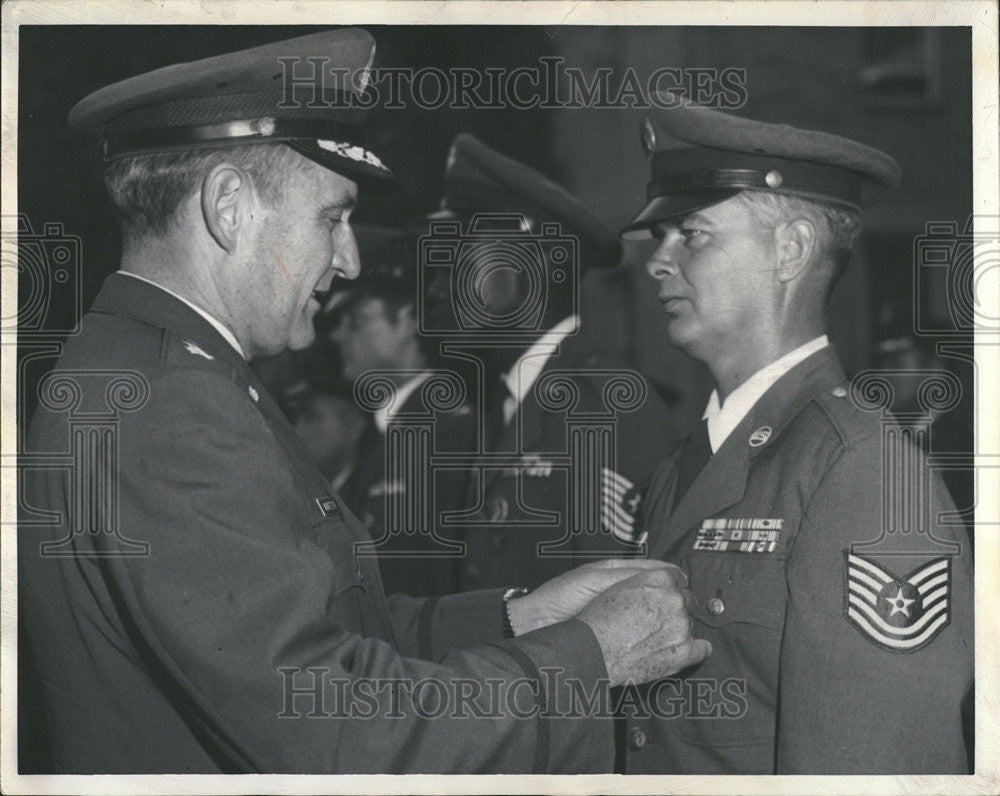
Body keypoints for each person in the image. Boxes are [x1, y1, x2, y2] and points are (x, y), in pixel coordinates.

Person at [16, 32, 710, 774]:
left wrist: (515, 616)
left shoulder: (153, 372)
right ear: (229, 206)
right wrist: (587, 656)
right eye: (331, 217)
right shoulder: (173, 405)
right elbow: (334, 726)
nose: (349, 260)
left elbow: (312, 632)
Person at [616, 94, 973, 774]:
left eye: (691, 234)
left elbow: (873, 764)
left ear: (791, 250)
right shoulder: (686, 466)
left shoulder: (863, 477)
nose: (658, 261)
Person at [421, 134, 683, 592]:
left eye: (459, 257)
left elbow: (618, 620)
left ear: (539, 259)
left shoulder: (606, 409)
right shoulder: (506, 406)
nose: (437, 289)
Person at [324, 225, 475, 596]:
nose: (337, 335)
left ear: (408, 320)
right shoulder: (381, 433)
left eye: (357, 320)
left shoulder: (451, 435)